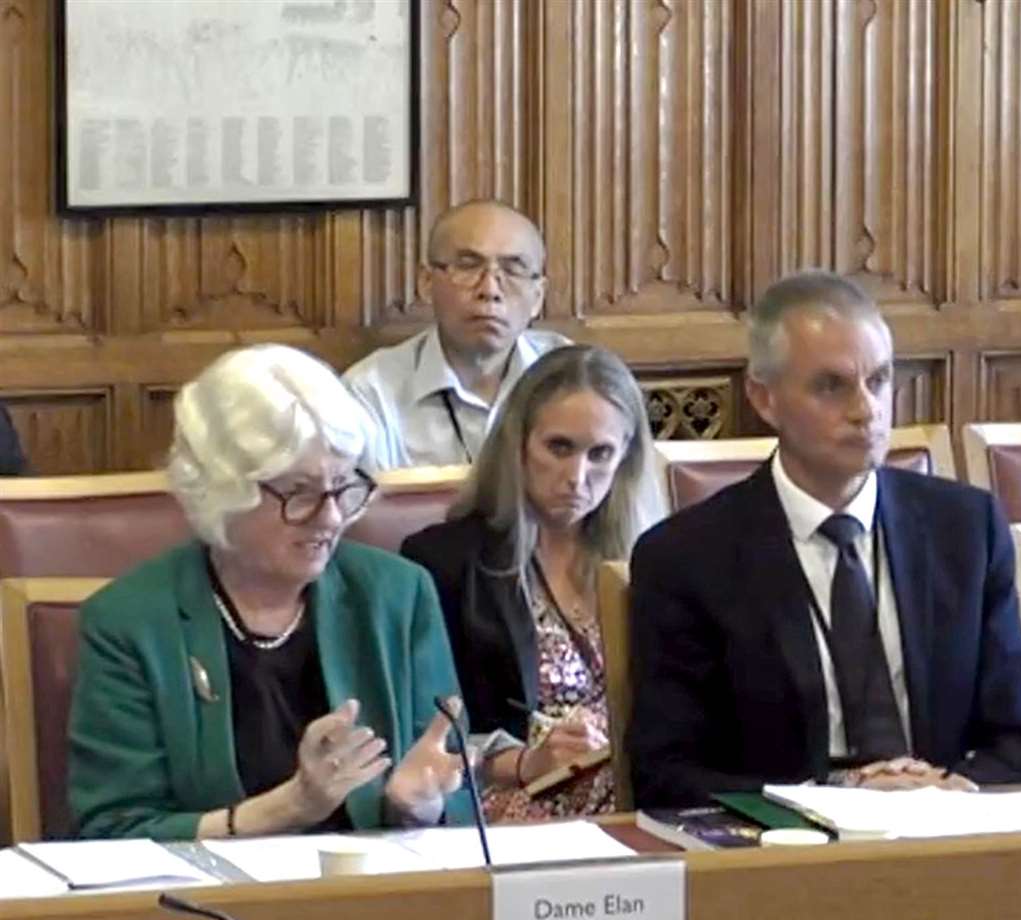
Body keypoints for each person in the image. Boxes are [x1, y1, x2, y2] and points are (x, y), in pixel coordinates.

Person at [630, 271, 1021, 808]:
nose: (866, 410)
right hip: (784, 854)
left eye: (878, 381)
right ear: (764, 398)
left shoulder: (965, 530)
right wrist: (833, 797)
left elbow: (1018, 744)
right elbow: (665, 771)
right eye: (831, 386)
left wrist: (948, 794)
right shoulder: (687, 558)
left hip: (947, 833)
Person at [68, 345, 481, 840]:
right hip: (204, 908)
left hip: (374, 900)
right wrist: (290, 807)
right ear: (222, 490)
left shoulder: (398, 594)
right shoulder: (130, 621)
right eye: (300, 492)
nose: (330, 517)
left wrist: (418, 807)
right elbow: (112, 831)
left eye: (343, 485)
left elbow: (453, 791)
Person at [402, 344, 665, 820]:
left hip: (634, 793)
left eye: (600, 454)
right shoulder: (446, 562)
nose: (576, 477)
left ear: (625, 461)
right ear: (518, 444)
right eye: (559, 448)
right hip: (512, 798)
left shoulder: (654, 562)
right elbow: (426, 733)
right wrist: (527, 761)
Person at [343, 200, 569, 471]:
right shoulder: (372, 391)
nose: (490, 290)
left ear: (537, 297)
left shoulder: (572, 377)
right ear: (427, 284)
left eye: (512, 269)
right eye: (468, 266)